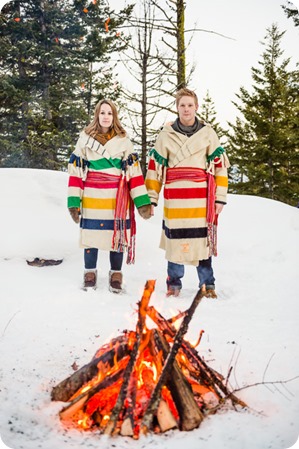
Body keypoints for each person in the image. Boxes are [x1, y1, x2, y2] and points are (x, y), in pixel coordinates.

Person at [145, 87, 230, 298]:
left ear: (196, 107)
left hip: (200, 199)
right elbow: (155, 169)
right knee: (175, 242)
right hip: (175, 199)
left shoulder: (208, 134)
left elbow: (219, 166)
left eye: (190, 105)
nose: (186, 109)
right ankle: (174, 284)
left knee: (202, 242)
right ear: (177, 108)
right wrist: (151, 199)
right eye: (182, 105)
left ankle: (207, 285)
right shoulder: (166, 135)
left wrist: (220, 198)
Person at [67, 98, 151, 293]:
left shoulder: (124, 141)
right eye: (102, 112)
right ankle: (90, 272)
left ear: (114, 116)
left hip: (117, 197)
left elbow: (134, 173)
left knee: (118, 235)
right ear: (97, 115)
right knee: (91, 236)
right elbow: (76, 173)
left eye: (109, 113)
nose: (106, 116)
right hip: (92, 195)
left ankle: (116, 273)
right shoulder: (84, 139)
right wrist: (74, 202)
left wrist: (142, 203)